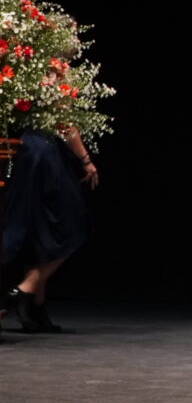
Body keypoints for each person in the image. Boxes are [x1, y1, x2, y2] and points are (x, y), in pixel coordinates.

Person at [2, 124, 98, 334]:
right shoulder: (58, 89)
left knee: (39, 227)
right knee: (75, 224)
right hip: (46, 154)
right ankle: (23, 290)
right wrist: (85, 160)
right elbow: (65, 124)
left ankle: (36, 308)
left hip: (27, 152)